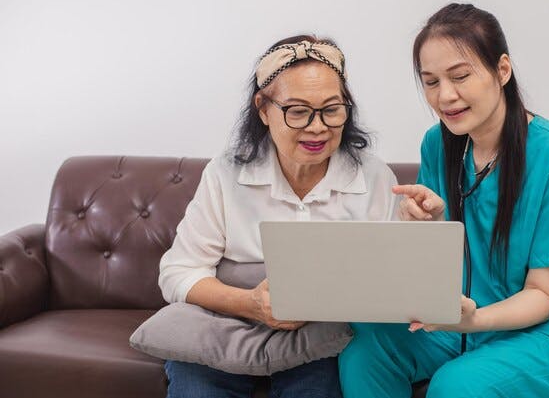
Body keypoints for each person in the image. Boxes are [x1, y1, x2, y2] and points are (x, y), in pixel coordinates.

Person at [339, 3, 549, 398]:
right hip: (466, 320)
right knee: (364, 351)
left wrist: (472, 320)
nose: (445, 96)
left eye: (460, 76)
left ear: (502, 70)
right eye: (430, 82)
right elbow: (436, 263)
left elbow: (545, 294)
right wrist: (426, 226)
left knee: (457, 385)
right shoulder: (438, 144)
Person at [158, 35, 398, 398]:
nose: (317, 127)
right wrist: (250, 304)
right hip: (225, 324)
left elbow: (393, 281)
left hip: (321, 337)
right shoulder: (225, 174)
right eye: (298, 111)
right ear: (263, 108)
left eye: (332, 109)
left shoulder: (374, 176)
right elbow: (178, 272)